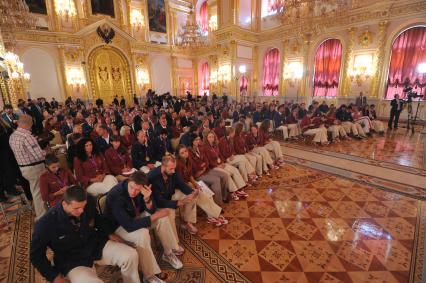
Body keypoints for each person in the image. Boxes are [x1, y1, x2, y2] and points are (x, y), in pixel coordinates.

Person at [30, 185, 141, 283]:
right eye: (76, 208)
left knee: (130, 255)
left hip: (95, 245)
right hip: (72, 260)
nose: (82, 211)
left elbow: (97, 218)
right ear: (64, 203)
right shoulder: (45, 224)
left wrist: (110, 234)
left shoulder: (88, 202)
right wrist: (54, 277)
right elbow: (36, 256)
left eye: (83, 206)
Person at [105, 172, 183, 283]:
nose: (133, 192)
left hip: (135, 217)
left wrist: (147, 199)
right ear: (128, 181)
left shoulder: (143, 189)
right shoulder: (115, 195)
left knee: (163, 218)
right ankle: (148, 275)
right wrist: (155, 215)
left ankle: (168, 253)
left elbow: (151, 210)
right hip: (119, 226)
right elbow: (129, 225)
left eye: (137, 190)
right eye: (131, 187)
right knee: (142, 234)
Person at [147, 155, 197, 250]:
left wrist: (191, 192)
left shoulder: (172, 171)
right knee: (170, 212)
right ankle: (174, 244)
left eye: (174, 168)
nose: (173, 171)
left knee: (191, 197)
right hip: (160, 203)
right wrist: (178, 203)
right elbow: (158, 201)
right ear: (163, 166)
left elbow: (181, 184)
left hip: (170, 196)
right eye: (171, 169)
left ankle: (187, 222)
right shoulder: (152, 177)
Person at [176, 145, 228, 227]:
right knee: (201, 193)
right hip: (183, 185)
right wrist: (191, 185)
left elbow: (190, 176)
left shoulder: (188, 160)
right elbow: (180, 181)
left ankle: (211, 215)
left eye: (185, 151)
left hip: (190, 182)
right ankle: (213, 215)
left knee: (207, 191)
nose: (185, 154)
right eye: (182, 153)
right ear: (178, 155)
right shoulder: (178, 164)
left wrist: (195, 184)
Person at [9, 114, 47, 219]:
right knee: (39, 192)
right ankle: (42, 217)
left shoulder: (13, 136)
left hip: (23, 168)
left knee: (35, 190)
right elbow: (39, 155)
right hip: (35, 168)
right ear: (30, 124)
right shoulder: (27, 136)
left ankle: (42, 213)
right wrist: (45, 151)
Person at [203, 130, 247, 201]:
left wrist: (222, 162)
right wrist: (217, 165)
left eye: (212, 137)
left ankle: (240, 188)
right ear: (206, 138)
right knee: (227, 174)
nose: (211, 138)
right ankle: (233, 191)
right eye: (209, 137)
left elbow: (220, 155)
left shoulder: (215, 145)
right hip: (213, 167)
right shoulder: (205, 148)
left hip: (220, 163)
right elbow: (208, 161)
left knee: (234, 170)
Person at [189, 134, 229, 204]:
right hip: (199, 174)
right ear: (192, 141)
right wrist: (202, 167)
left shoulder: (200, 149)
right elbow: (193, 166)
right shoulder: (189, 152)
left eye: (199, 139)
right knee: (216, 179)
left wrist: (204, 166)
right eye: (196, 140)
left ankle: (224, 196)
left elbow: (206, 160)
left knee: (225, 175)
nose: (198, 141)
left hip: (206, 170)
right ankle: (218, 203)